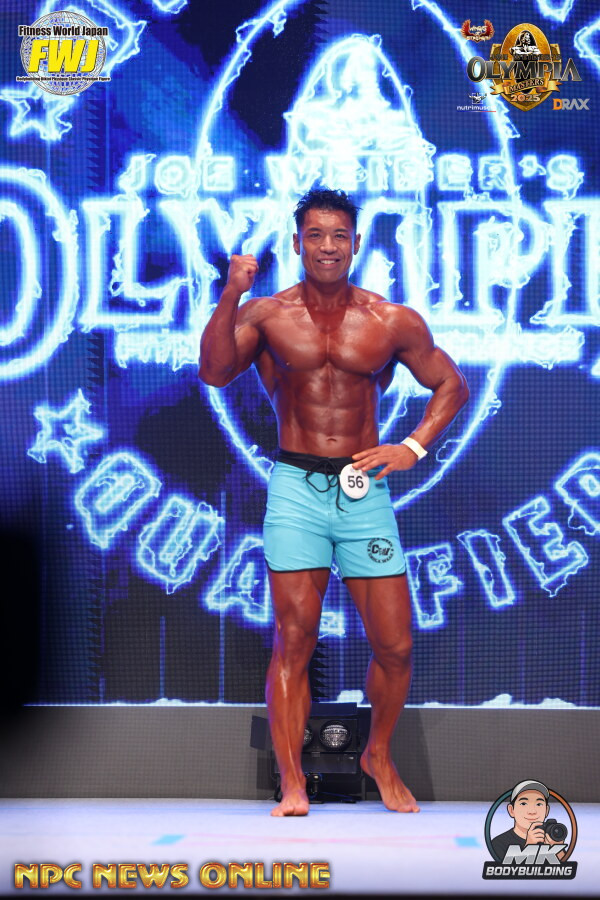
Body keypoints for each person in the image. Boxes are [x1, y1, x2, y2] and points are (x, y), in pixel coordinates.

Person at [199, 187, 469, 816]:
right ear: (297, 242)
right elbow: (213, 371)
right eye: (316, 235)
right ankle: (294, 782)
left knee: (396, 646)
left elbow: (451, 384)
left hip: (361, 488)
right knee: (293, 638)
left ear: (356, 243)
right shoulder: (267, 314)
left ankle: (378, 754)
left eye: (339, 235)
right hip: (296, 487)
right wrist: (231, 293)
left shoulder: (390, 319)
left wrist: (413, 447)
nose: (328, 246)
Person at [492, 781, 566, 862]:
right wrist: (529, 847)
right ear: (511, 810)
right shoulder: (498, 843)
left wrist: (558, 849)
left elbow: (568, 867)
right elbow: (505, 869)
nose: (532, 811)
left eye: (539, 804)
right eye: (523, 804)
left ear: (546, 811)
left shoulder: (551, 838)